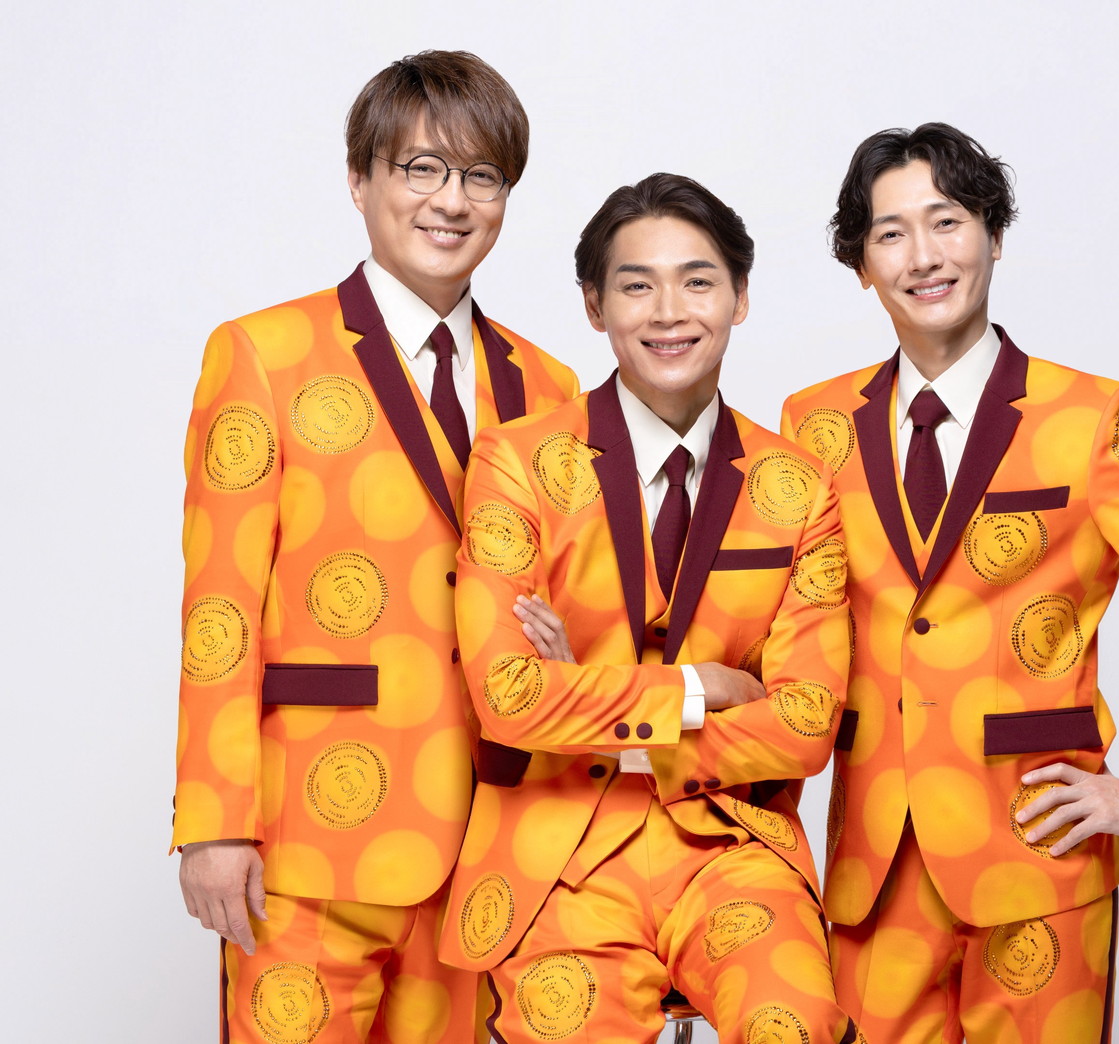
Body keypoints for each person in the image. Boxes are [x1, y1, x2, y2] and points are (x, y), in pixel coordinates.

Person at [780, 123, 1119, 1043]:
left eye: (948, 222)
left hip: (1040, 858)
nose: (923, 256)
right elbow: (777, 627)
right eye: (891, 233)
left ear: (994, 235)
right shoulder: (814, 425)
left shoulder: (1089, 418)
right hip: (872, 869)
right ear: (860, 265)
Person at [172, 49, 578, 1042]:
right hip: (306, 838)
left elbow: (568, 603)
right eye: (421, 168)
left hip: (490, 841)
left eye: (481, 176)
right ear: (360, 181)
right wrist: (213, 822)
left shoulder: (551, 386)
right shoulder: (263, 354)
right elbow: (220, 606)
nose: (452, 200)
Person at [437, 173, 859, 1042]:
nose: (670, 311)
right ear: (595, 306)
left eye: (698, 282)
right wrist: (705, 687)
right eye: (637, 285)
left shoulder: (799, 486)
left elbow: (805, 725)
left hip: (733, 850)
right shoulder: (517, 462)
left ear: (740, 298)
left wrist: (591, 709)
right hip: (560, 859)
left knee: (794, 1026)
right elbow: (508, 697)